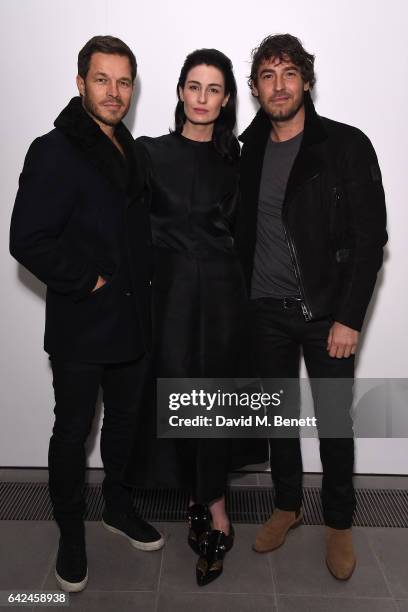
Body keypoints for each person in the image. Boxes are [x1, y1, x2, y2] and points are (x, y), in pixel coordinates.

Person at [9, 35, 163, 593]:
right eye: (102, 79)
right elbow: (27, 238)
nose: (114, 92)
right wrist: (89, 281)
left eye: (124, 82)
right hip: (82, 322)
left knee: (124, 425)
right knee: (72, 433)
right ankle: (70, 532)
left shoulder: (133, 150)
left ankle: (117, 507)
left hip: (133, 323)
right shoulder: (54, 148)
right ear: (80, 83)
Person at [235, 34, 387, 580]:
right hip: (264, 310)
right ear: (255, 88)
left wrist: (348, 317)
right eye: (268, 76)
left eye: (289, 73)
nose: (280, 85)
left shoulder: (344, 146)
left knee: (332, 423)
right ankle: (286, 506)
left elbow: (371, 239)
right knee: (278, 419)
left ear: (307, 80)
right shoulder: (246, 151)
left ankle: (339, 522)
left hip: (326, 313)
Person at [130, 48, 266, 586]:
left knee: (213, 402)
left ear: (227, 97)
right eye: (194, 86)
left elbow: (255, 235)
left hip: (224, 301)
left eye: (214, 88)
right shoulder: (149, 154)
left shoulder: (238, 161)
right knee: (178, 399)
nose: (203, 98)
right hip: (168, 300)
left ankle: (216, 511)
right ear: (181, 92)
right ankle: (196, 497)